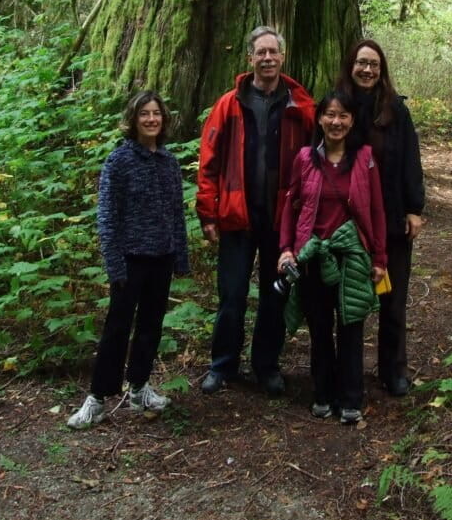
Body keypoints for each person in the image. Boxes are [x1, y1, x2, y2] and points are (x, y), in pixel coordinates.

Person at [196, 26, 315, 396]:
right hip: (236, 216)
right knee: (231, 294)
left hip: (281, 220)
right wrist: (208, 212)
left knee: (274, 294)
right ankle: (223, 366)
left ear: (282, 57)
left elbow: (315, 162)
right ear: (250, 58)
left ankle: (266, 365)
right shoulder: (229, 104)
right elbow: (209, 161)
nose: (267, 58)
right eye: (260, 52)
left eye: (273, 52)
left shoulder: (300, 105)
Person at [67, 91, 190, 428]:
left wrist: (180, 256)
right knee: (117, 328)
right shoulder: (119, 161)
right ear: (134, 119)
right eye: (144, 114)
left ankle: (139, 386)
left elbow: (176, 214)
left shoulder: (169, 163)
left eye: (157, 114)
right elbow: (107, 216)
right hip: (130, 259)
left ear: (163, 120)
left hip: (161, 257)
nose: (151, 119)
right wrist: (114, 262)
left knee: (151, 326)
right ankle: (97, 398)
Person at [277, 90, 387, 424]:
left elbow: (377, 211)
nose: (336, 122)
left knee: (351, 327)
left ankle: (351, 397)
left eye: (343, 116)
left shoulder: (365, 158)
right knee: (320, 328)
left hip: (351, 256)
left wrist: (379, 259)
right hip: (312, 255)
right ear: (320, 118)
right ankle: (323, 393)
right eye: (330, 115)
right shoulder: (306, 158)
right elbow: (290, 205)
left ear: (352, 121)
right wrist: (286, 249)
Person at [336, 39, 425, 397]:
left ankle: (393, 370)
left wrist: (414, 208)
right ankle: (347, 374)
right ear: (351, 65)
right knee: (350, 300)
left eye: (374, 64)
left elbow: (410, 160)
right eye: (361, 63)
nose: (367, 70)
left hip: (390, 219)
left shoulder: (396, 111)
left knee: (393, 299)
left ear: (382, 69)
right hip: (347, 223)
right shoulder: (337, 105)